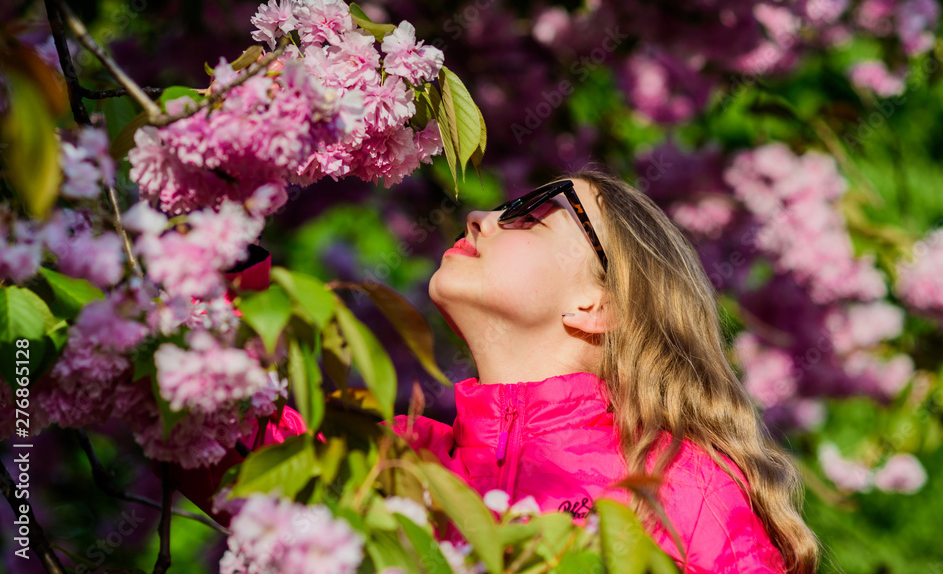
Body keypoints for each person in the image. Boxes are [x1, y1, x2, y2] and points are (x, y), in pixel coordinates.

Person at [171, 167, 819, 573]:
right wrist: (218, 231)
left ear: (598, 304)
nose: (481, 216)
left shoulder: (678, 484)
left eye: (534, 213)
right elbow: (221, 439)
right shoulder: (405, 462)